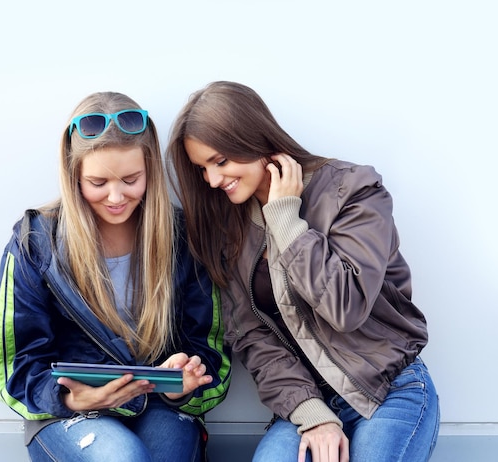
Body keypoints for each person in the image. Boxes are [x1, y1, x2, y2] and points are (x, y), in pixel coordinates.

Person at [166, 81, 440, 462]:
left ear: (252, 138)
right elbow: (251, 336)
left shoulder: (353, 191)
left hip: (388, 387)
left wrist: (285, 221)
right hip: (307, 399)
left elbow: (346, 305)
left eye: (220, 161)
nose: (212, 180)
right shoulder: (228, 227)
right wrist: (310, 413)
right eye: (203, 169)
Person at [0, 91, 231, 462]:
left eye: (131, 179)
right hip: (67, 413)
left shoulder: (186, 239)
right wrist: (72, 397)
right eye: (98, 183)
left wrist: (181, 386)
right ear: (74, 176)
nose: (116, 196)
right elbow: (15, 365)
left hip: (159, 406)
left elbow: (211, 353)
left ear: (149, 169)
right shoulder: (34, 242)